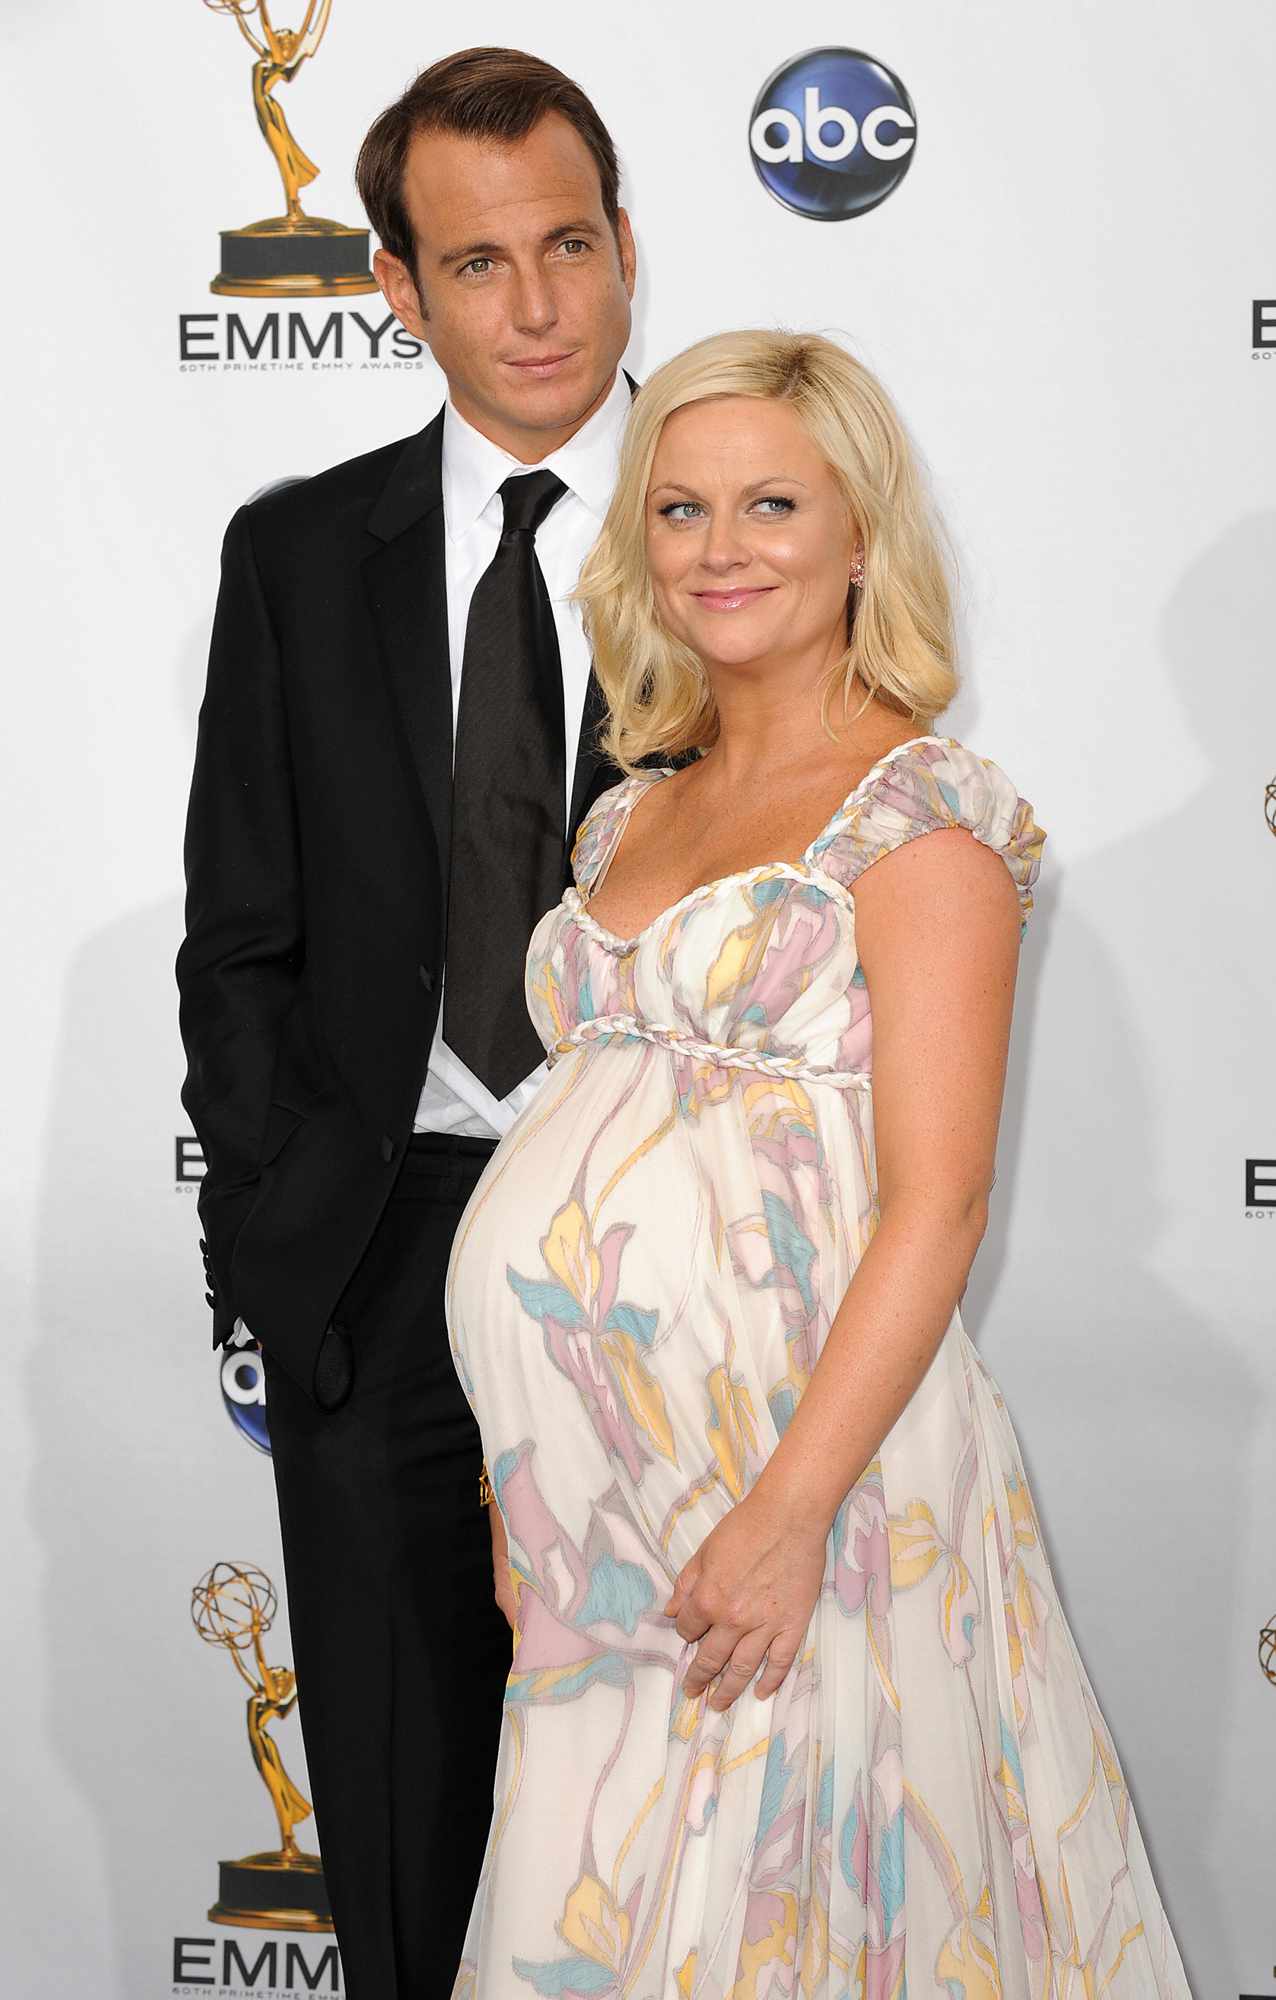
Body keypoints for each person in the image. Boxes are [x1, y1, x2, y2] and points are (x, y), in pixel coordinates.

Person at [445, 331, 1192, 1997]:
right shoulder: (631, 814)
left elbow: (940, 1204)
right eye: (683, 507)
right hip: (594, 1525)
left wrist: (788, 1516)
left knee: (798, 1923)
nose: (721, 548)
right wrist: (525, 1486)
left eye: (772, 503)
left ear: (864, 532)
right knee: (601, 1911)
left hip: (811, 1495)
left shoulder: (920, 817)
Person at [176, 46, 637, 1997]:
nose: (533, 308)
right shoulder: (298, 555)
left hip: (662, 1260)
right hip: (378, 1260)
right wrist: (285, 1240)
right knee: (395, 1805)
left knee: (657, 1807)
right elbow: (244, 939)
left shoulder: (747, 523)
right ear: (393, 286)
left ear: (627, 246)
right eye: (474, 263)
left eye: (566, 246)